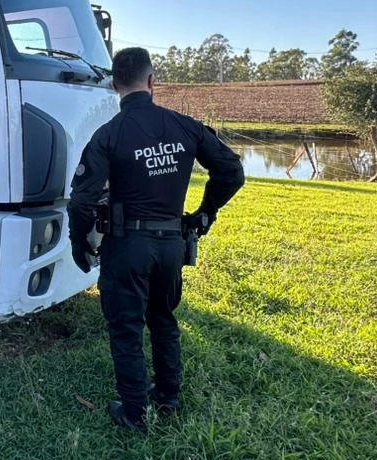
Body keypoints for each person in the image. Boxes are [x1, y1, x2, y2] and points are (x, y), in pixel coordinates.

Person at [67, 47, 245, 433]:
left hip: (126, 245)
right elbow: (232, 171)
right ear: (152, 81)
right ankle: (167, 397)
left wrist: (77, 244)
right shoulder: (184, 126)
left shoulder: (108, 134)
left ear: (115, 85)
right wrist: (204, 213)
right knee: (163, 319)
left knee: (126, 328)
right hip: (170, 245)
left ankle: (133, 414)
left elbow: (81, 199)